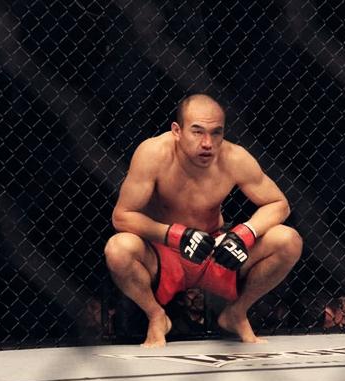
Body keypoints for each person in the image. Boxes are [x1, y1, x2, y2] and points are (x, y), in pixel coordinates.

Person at [104, 94, 303, 347]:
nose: (207, 143)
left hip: (214, 252)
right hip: (164, 254)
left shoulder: (234, 158)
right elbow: (122, 216)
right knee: (118, 249)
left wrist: (243, 234)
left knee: (288, 240)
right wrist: (176, 235)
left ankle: (236, 312)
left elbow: (279, 204)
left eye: (216, 133)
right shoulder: (153, 154)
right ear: (177, 131)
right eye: (197, 132)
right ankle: (156, 316)